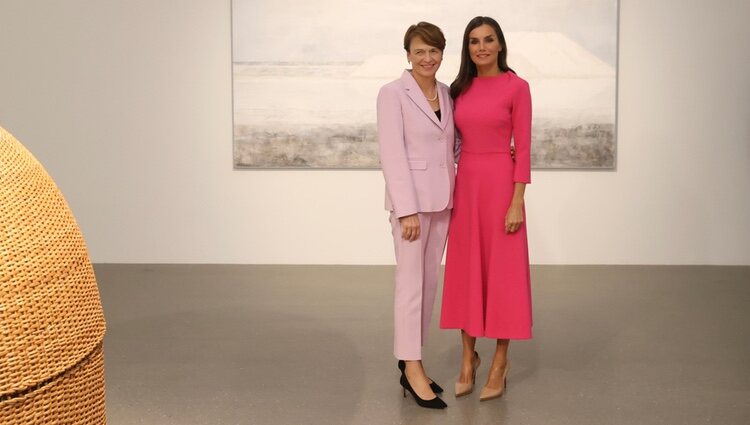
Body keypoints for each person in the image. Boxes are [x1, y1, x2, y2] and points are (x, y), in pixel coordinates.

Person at [440, 16, 533, 402]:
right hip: (467, 186)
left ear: (499, 44)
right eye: (474, 41)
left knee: (503, 275)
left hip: (501, 188)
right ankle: (467, 359)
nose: (481, 47)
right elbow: (448, 138)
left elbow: (523, 148)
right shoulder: (458, 89)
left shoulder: (518, 87)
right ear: (468, 48)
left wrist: (517, 203)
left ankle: (499, 361)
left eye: (488, 40)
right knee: (467, 272)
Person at [376, 21, 456, 410]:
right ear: (407, 54)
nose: (427, 58)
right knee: (410, 287)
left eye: (434, 51)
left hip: (443, 203)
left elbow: (450, 146)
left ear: (443, 53)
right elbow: (392, 155)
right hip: (412, 208)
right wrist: (406, 210)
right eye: (419, 51)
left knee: (427, 285)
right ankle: (411, 367)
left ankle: (413, 361)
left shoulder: (445, 92)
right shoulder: (392, 94)